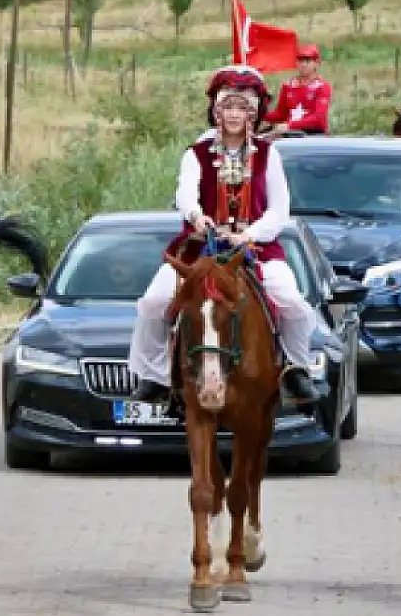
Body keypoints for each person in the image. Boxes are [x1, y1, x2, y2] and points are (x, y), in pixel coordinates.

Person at [127, 65, 318, 407]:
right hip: (200, 249)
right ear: (217, 111)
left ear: (253, 114)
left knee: (295, 305)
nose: (234, 114)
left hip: (255, 249)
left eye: (242, 108)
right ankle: (154, 376)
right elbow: (185, 194)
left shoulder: (269, 155)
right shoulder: (196, 154)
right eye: (227, 107)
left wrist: (250, 234)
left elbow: (279, 209)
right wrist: (197, 217)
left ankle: (295, 369)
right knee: (153, 302)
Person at [262, 45, 332, 136]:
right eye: (300, 60)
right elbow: (281, 114)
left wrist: (290, 125)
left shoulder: (322, 86)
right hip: (291, 134)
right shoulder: (288, 85)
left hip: (314, 135)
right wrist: (260, 115)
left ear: (316, 63)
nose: (303, 64)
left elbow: (318, 119)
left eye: (307, 61)